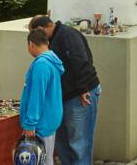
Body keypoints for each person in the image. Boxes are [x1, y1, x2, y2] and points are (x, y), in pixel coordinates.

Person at [27, 15, 102, 165]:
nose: (35, 39)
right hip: (65, 97)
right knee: (63, 143)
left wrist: (82, 89)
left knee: (79, 143)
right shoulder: (53, 39)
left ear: (42, 28)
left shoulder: (68, 35)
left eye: (36, 34)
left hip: (80, 95)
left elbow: (81, 61)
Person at [21, 28, 65, 165]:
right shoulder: (52, 61)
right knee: (47, 157)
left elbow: (37, 96)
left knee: (40, 159)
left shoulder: (41, 65)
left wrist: (30, 123)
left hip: (41, 121)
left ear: (31, 44)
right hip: (50, 117)